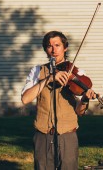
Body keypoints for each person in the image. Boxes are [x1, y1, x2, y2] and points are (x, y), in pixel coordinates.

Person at [21, 30, 97, 170]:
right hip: (43, 135)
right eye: (49, 46)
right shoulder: (37, 71)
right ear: (45, 49)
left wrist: (85, 99)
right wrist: (48, 79)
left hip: (67, 134)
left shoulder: (74, 73)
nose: (54, 50)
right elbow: (25, 99)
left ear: (65, 47)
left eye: (57, 45)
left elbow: (80, 111)